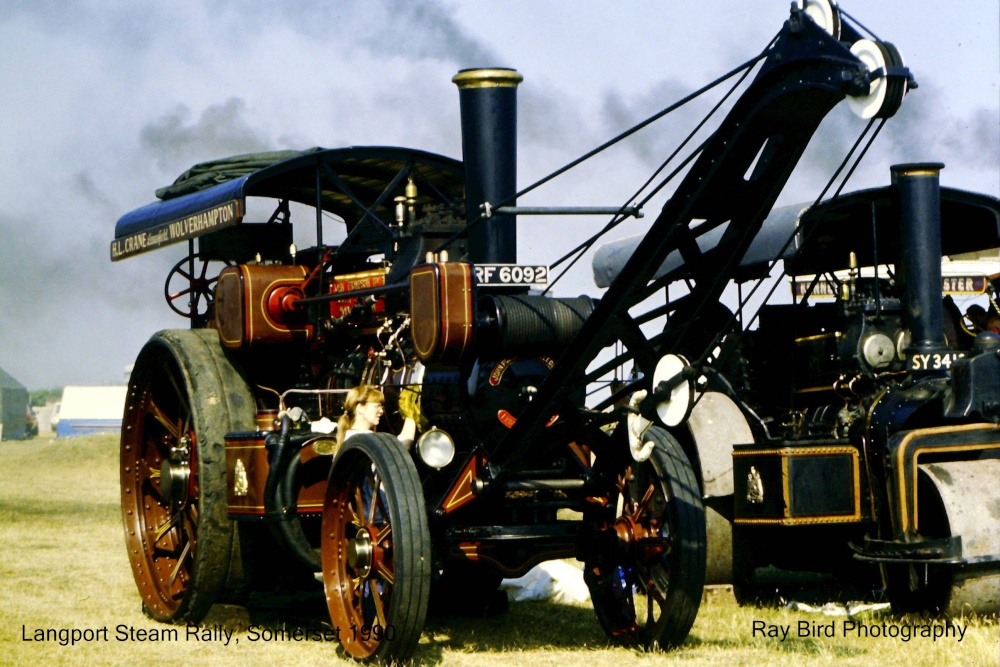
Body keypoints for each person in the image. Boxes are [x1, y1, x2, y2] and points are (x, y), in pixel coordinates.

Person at [336, 385, 417, 449]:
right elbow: (401, 448)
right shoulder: (363, 439)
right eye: (377, 406)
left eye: (381, 407)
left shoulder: (350, 436)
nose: (381, 411)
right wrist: (410, 414)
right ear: (360, 407)